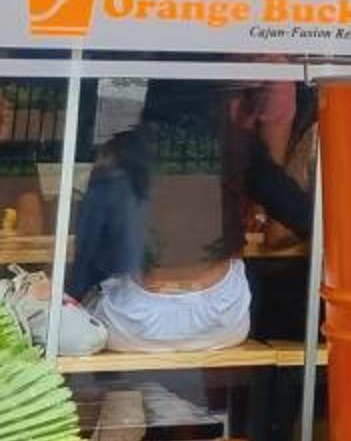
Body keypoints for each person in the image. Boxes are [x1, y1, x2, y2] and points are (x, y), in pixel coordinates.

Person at [65, 122, 254, 353]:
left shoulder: (123, 174)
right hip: (225, 322)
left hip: (133, 327)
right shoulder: (217, 177)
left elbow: (95, 254)